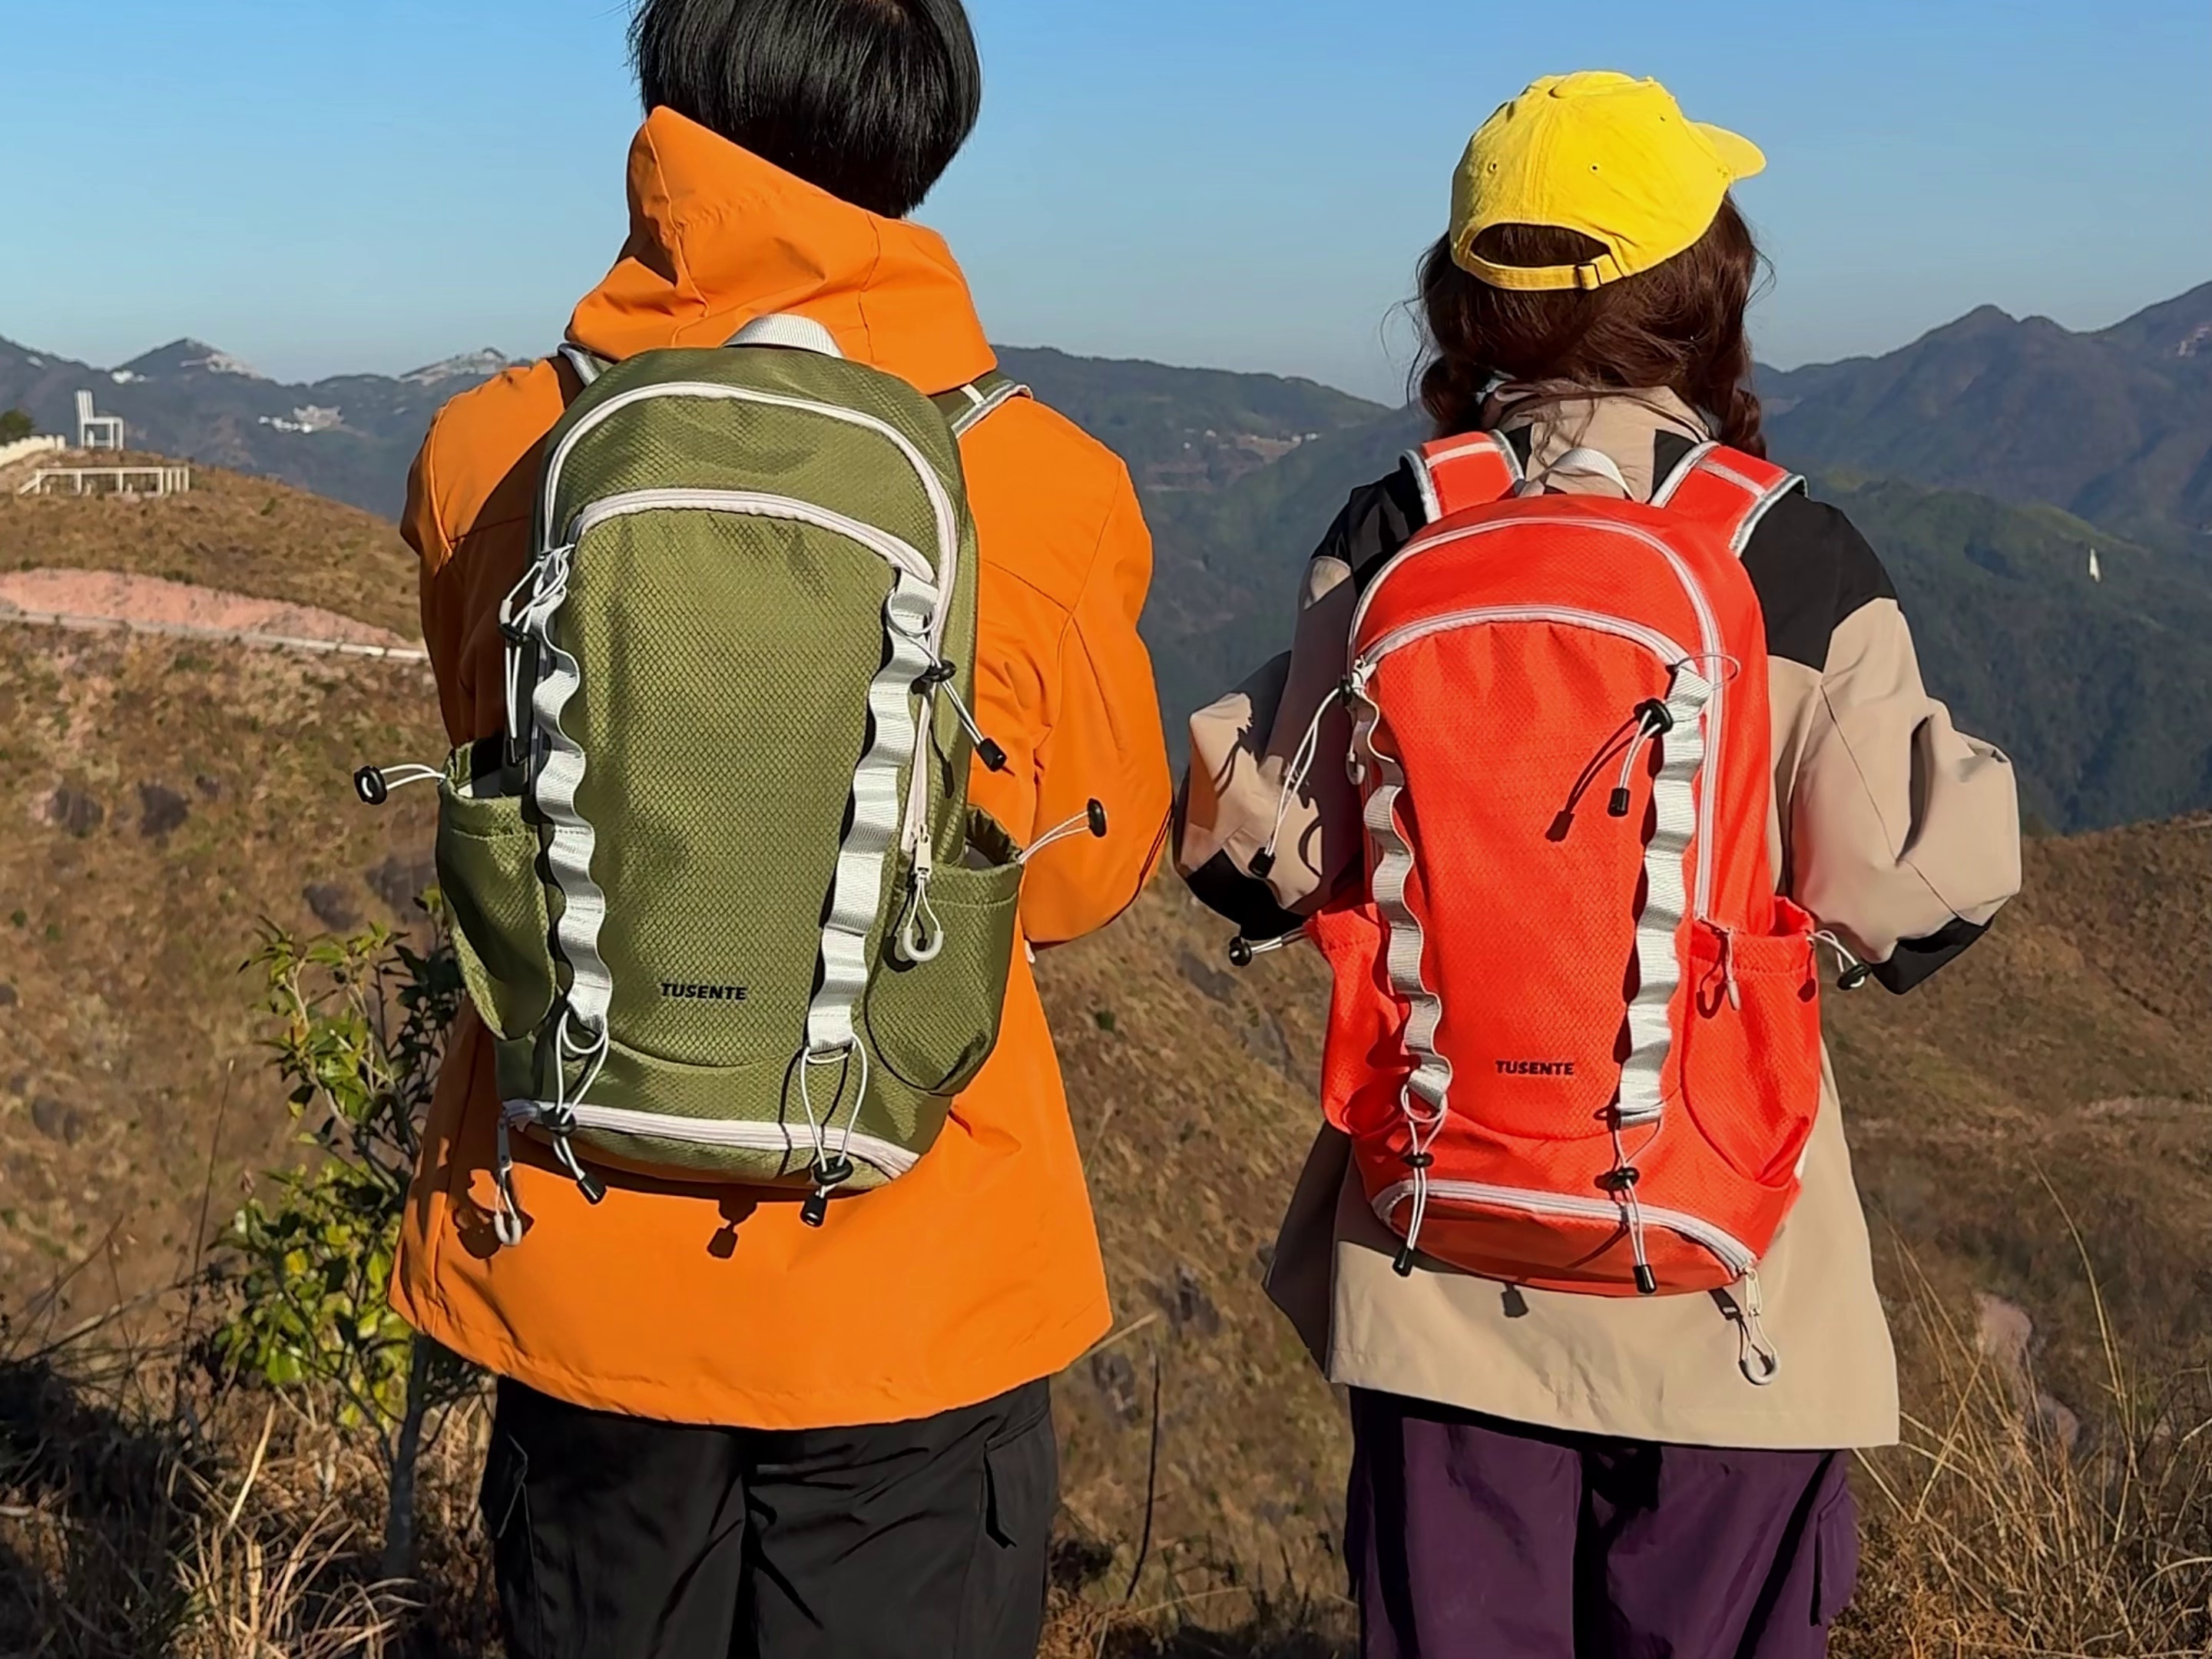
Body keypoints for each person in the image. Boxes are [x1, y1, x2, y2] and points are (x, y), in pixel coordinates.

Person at [1176, 71, 2020, 1659]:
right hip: (1722, 1275)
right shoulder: (1786, 552)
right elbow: (1908, 894)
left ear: (1466, 296)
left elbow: (1269, 852)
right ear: (1705, 286)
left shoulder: (1389, 535)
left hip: (1439, 1252)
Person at [389, 3, 1171, 1654]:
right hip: (914, 1266)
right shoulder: (1045, 484)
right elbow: (1079, 875)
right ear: (924, 131)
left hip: (581, 1238)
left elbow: (501, 766)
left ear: (676, 90)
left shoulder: (494, 448)